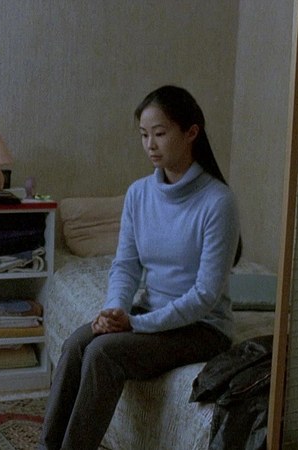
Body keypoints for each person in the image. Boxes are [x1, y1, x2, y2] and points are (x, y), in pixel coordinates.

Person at [39, 85, 242, 450]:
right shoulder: (139, 193)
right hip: (149, 311)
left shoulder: (218, 202)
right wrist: (116, 309)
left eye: (160, 133)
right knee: (77, 344)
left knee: (103, 353)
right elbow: (126, 265)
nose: (150, 145)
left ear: (191, 132)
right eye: (144, 135)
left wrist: (135, 324)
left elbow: (206, 295)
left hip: (203, 327)